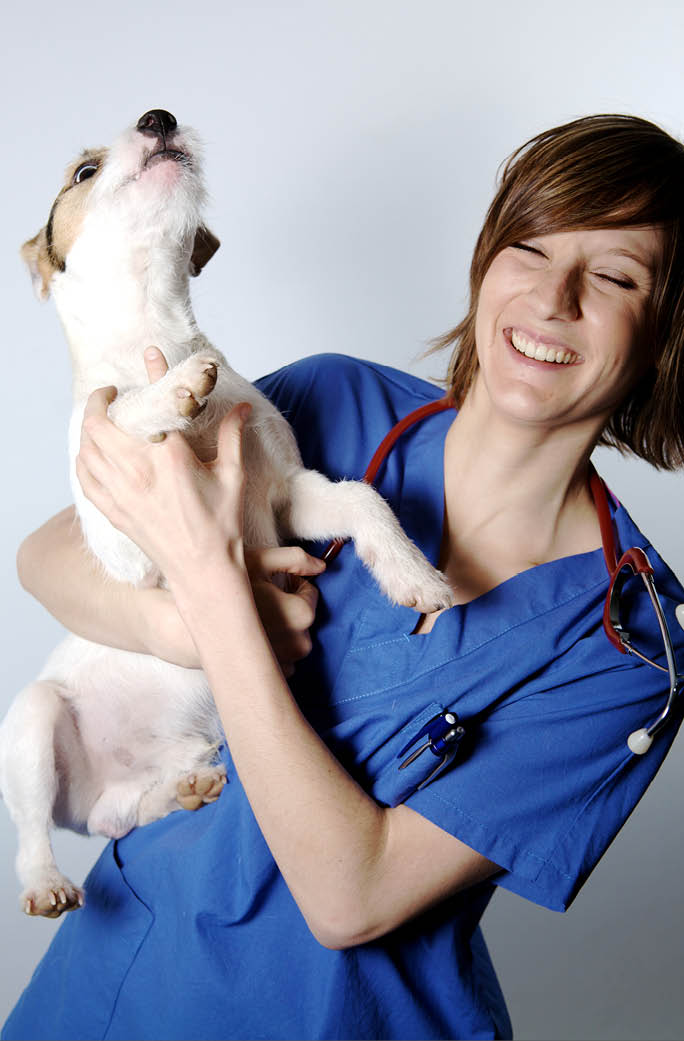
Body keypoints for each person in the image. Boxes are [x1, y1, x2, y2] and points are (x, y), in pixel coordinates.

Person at [4, 113, 684, 1041]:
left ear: (665, 333)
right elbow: (45, 554)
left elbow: (350, 898)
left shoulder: (628, 645)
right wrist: (175, 630)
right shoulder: (333, 400)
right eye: (528, 248)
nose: (552, 298)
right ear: (487, 260)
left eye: (613, 276)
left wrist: (211, 588)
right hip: (110, 985)